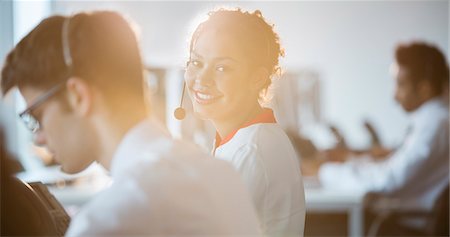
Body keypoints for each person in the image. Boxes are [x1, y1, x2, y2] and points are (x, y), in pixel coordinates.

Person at [1, 11, 261, 236]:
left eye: (36, 116)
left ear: (78, 95)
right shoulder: (220, 174)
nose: (39, 138)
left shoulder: (111, 220)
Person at [184, 8, 305, 236]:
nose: (202, 79)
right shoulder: (248, 139)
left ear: (257, 77)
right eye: (196, 63)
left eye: (222, 68)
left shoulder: (250, 151)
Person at [304, 41, 449, 227]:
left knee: (318, 223)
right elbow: (393, 167)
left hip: (403, 225)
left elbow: (387, 180)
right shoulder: (433, 119)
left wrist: (324, 172)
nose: (395, 96)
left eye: (401, 85)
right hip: (399, 219)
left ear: (424, 88)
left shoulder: (435, 123)